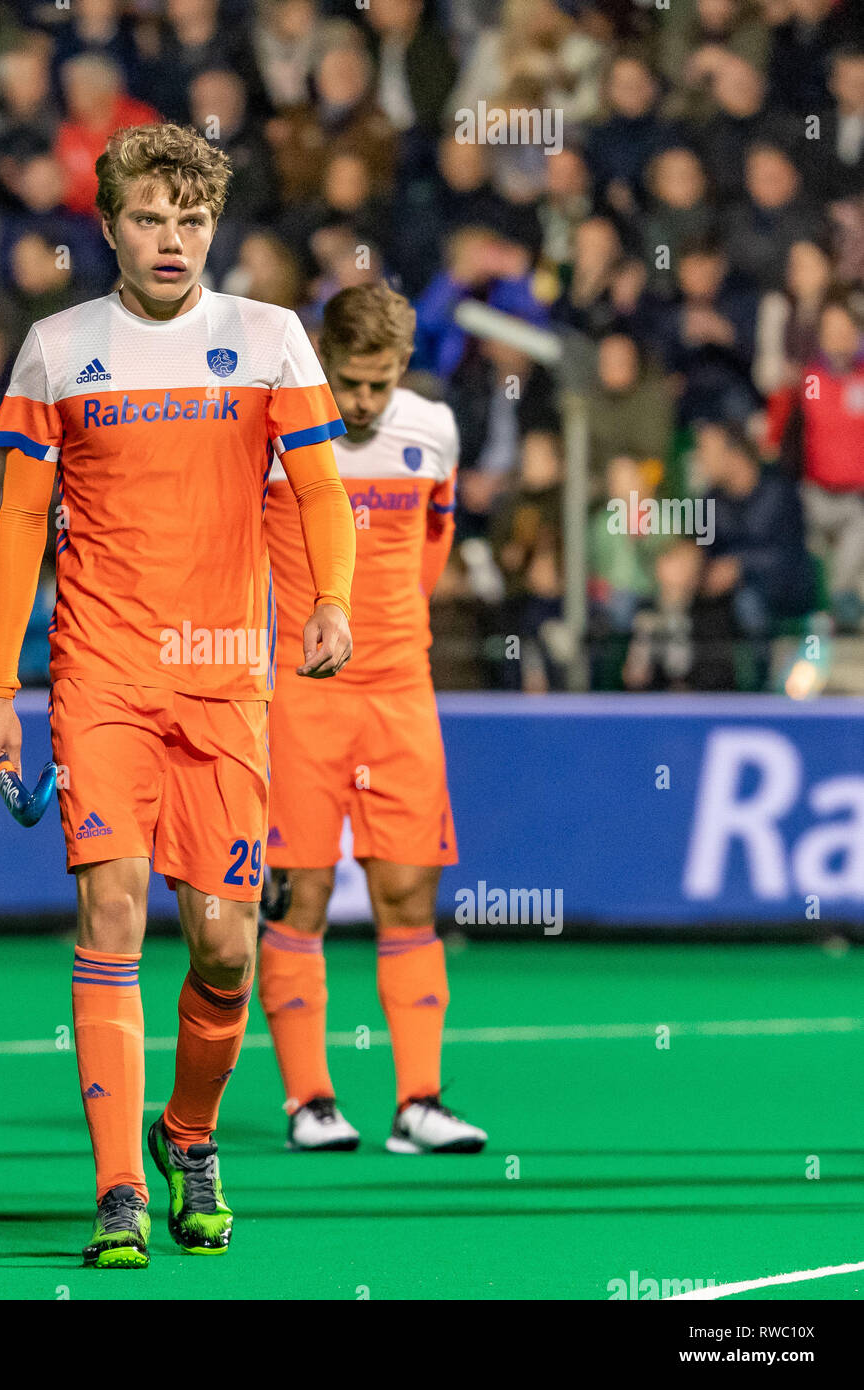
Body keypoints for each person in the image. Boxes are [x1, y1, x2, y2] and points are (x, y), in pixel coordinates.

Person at [0, 122, 356, 1268]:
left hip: (229, 676)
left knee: (228, 943)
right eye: (150, 217)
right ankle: (119, 1189)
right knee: (113, 912)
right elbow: (15, 524)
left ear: (213, 227)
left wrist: (331, 597)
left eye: (192, 219)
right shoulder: (55, 348)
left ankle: (188, 1134)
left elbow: (322, 490)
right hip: (103, 676)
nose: (173, 239)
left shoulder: (273, 339)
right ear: (108, 226)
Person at [257, 282, 487, 1154]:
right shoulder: (279, 436)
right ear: (322, 363)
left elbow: (431, 552)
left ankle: (418, 1102)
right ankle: (309, 1101)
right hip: (300, 696)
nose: (362, 402)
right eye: (350, 383)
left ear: (401, 373)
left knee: (407, 893)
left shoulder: (432, 431)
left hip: (400, 692)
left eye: (378, 384)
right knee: (300, 893)